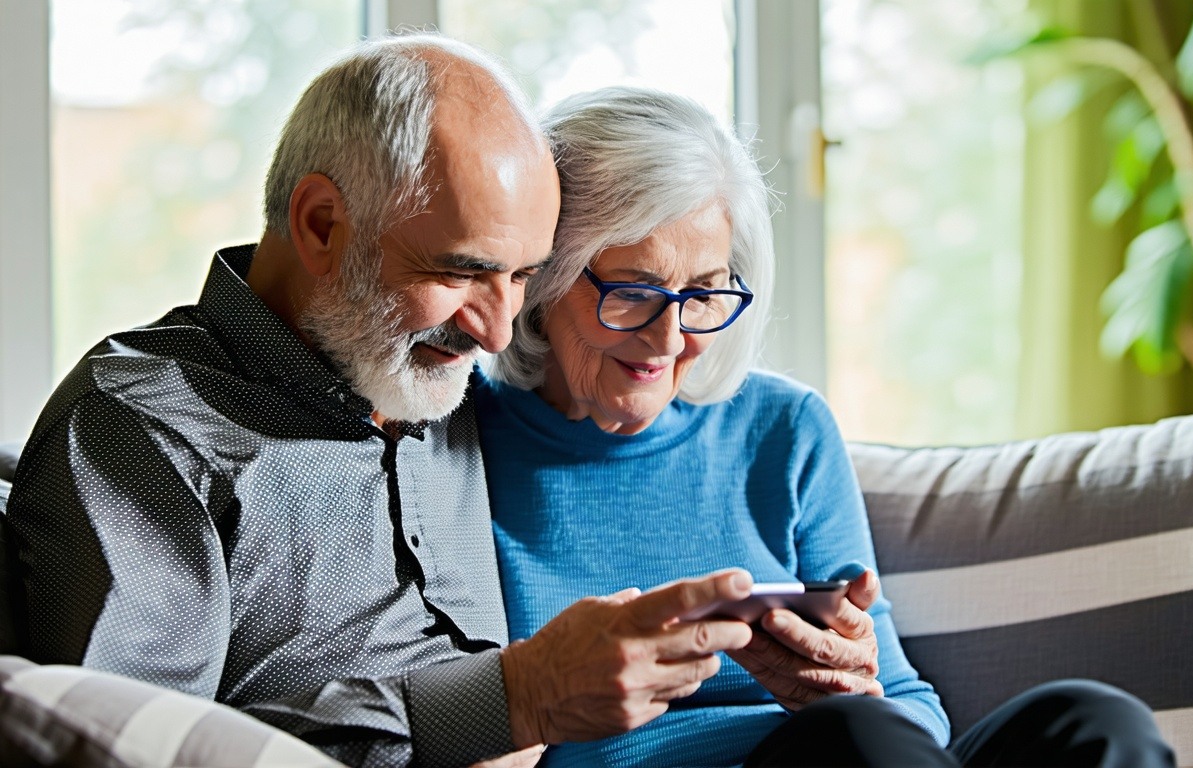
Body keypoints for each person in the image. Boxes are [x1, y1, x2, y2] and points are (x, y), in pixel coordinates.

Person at [6, 35, 768, 768]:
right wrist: (509, 701)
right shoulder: (144, 426)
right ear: (321, 226)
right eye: (461, 272)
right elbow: (132, 745)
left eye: (522, 276)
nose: (498, 331)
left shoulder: (439, 376)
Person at [476, 86, 1177, 767]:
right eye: (633, 292)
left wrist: (854, 683)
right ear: (541, 276)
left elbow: (905, 703)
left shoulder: (784, 429)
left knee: (1093, 721)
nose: (669, 338)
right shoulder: (458, 447)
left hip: (856, 749)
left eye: (703, 293)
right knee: (848, 737)